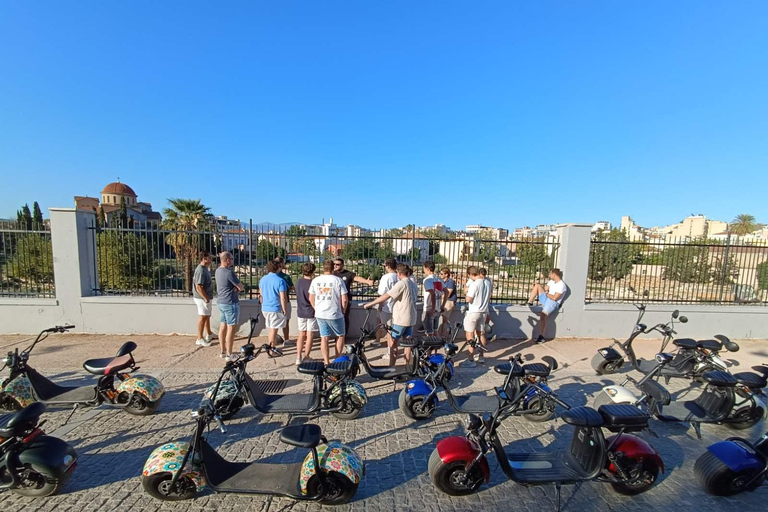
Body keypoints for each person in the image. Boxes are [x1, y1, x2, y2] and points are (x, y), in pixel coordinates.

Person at [363, 263, 418, 366]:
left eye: (397, 273)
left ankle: (391, 367)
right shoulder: (412, 283)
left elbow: (386, 296)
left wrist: (370, 304)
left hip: (401, 318)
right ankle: (407, 366)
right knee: (408, 343)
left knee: (393, 343)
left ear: (400, 273)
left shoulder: (401, 284)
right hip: (411, 318)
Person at [310, 260, 348, 364]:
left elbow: (311, 297)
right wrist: (343, 310)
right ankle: (337, 359)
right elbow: (344, 299)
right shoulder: (338, 280)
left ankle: (326, 361)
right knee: (340, 335)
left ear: (323, 268)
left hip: (320, 313)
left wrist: (315, 308)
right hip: (335, 312)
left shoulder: (315, 280)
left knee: (324, 337)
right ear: (333, 268)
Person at [524, 268, 567, 344]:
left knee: (543, 316)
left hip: (553, 302)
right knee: (537, 286)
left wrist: (547, 294)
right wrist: (536, 287)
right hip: (547, 298)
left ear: (554, 274)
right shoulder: (551, 282)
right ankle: (529, 302)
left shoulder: (562, 285)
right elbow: (544, 289)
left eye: (550, 274)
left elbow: (555, 298)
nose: (549, 276)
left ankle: (542, 337)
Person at [215, 251, 244, 361]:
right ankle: (229, 354)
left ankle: (223, 350)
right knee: (231, 328)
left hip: (221, 302)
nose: (232, 260)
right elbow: (241, 287)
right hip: (230, 302)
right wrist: (237, 288)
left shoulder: (218, 271)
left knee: (223, 326)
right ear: (227, 260)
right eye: (231, 258)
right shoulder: (228, 273)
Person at [333, 258, 374, 333]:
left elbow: (357, 278)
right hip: (333, 300)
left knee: (344, 318)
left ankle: (343, 336)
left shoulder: (348, 274)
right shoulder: (332, 274)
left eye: (337, 264)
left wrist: (367, 281)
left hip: (345, 300)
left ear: (342, 265)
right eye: (334, 264)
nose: (335, 266)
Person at [258, 260, 288, 352]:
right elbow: (283, 297)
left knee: (271, 328)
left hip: (265, 307)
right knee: (274, 329)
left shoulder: (263, 279)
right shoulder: (280, 280)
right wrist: (284, 309)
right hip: (275, 307)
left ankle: (271, 346)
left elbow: (261, 294)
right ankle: (271, 349)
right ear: (278, 268)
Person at [462, 266, 489, 367]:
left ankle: (471, 358)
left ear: (470, 275)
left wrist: (466, 293)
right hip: (483, 311)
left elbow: (469, 299)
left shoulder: (474, 284)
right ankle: (481, 356)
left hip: (474, 311)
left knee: (470, 335)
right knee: (480, 333)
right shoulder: (487, 282)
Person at [192, 251, 216, 347]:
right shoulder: (201, 270)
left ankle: (209, 334)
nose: (211, 260)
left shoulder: (204, 269)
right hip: (201, 298)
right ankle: (200, 338)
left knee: (206, 316)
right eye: (209, 258)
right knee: (202, 317)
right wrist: (205, 298)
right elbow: (199, 286)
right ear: (204, 258)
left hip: (205, 297)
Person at [295, 262, 318, 365]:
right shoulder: (313, 283)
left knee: (301, 334)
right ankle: (306, 356)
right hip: (311, 311)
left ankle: (298, 356)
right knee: (310, 335)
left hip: (300, 310)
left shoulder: (298, 282)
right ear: (313, 271)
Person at [375, 258, 399, 347]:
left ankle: (390, 350)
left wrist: (380, 305)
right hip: (397, 306)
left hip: (387, 306)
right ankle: (393, 348)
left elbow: (382, 294)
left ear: (388, 266)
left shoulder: (386, 277)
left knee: (389, 330)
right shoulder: (398, 276)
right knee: (395, 329)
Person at [273, 256, 294, 344]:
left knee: (274, 323)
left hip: (274, 302)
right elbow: (292, 287)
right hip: (285, 300)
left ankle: (273, 339)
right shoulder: (285, 277)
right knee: (286, 321)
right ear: (281, 264)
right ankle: (286, 339)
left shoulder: (269, 276)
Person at [421, 261, 443, 335]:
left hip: (429, 308)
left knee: (429, 332)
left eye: (424, 269)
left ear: (427, 269)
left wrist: (432, 308)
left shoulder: (427, 280)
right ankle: (435, 346)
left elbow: (432, 294)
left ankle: (431, 345)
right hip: (438, 308)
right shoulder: (438, 279)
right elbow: (446, 292)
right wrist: (442, 305)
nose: (424, 271)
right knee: (435, 330)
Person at [479, 268, 496, 342]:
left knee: (485, 320)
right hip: (481, 304)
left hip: (484, 304)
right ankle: (480, 338)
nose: (483, 277)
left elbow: (490, 293)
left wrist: (487, 301)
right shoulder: (481, 281)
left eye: (484, 276)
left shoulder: (488, 281)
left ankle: (482, 338)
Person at [438, 268, 456, 338]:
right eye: (440, 273)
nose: (440, 275)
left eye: (442, 274)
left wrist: (440, 295)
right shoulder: (442, 282)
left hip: (449, 301)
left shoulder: (450, 282)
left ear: (446, 274)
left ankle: (444, 335)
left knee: (444, 318)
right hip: (443, 300)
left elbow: (447, 294)